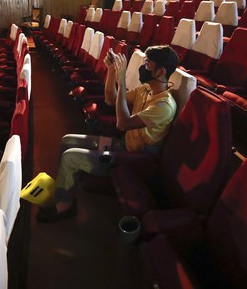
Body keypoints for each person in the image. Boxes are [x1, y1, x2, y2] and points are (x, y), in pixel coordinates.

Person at [36, 45, 179, 222]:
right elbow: (110, 99)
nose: (143, 67)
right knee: (67, 140)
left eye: (148, 63)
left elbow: (122, 123)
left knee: (70, 157)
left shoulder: (164, 106)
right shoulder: (146, 90)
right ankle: (62, 188)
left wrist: (123, 81)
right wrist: (112, 71)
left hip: (130, 159)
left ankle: (65, 204)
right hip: (122, 145)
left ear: (161, 71)